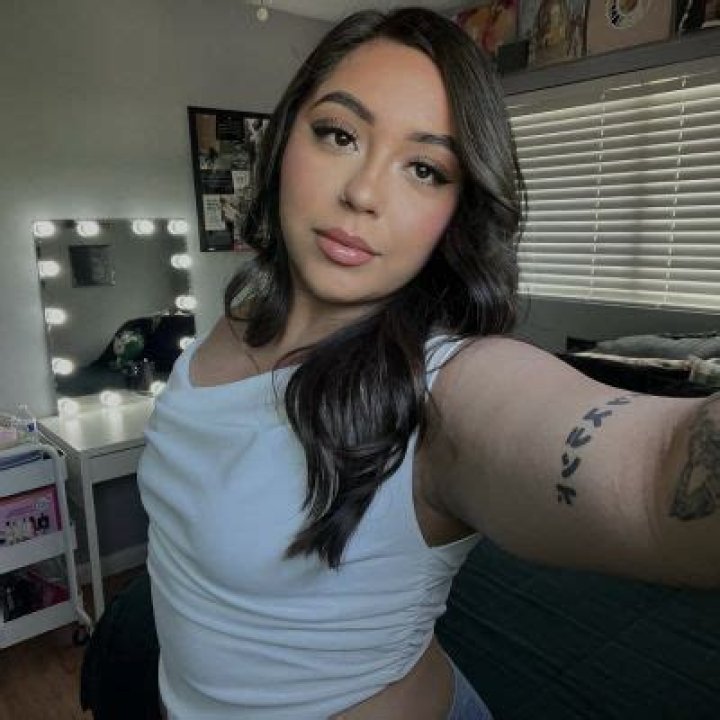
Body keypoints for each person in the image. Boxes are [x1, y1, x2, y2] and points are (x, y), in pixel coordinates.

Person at [136, 7, 720, 720]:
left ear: (458, 210)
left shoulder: (448, 388)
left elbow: (657, 467)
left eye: (424, 169)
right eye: (340, 134)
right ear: (285, 137)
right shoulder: (231, 322)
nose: (363, 193)